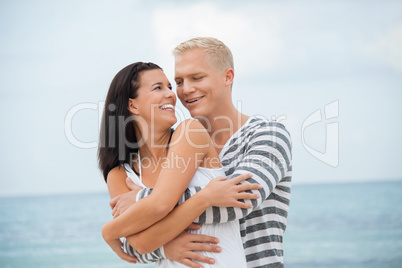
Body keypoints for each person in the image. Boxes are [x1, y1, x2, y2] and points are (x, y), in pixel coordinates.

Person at [112, 37, 293, 268]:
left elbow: (237, 202)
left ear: (227, 77)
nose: (185, 90)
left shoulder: (267, 135)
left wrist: (143, 200)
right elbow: (133, 245)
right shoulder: (175, 144)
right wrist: (165, 247)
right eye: (179, 81)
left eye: (197, 78)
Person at [98, 62, 262, 267]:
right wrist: (205, 198)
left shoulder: (190, 133)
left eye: (169, 86)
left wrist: (109, 231)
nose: (171, 94)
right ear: (133, 105)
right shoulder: (120, 174)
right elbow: (140, 243)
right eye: (158, 88)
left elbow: (160, 205)